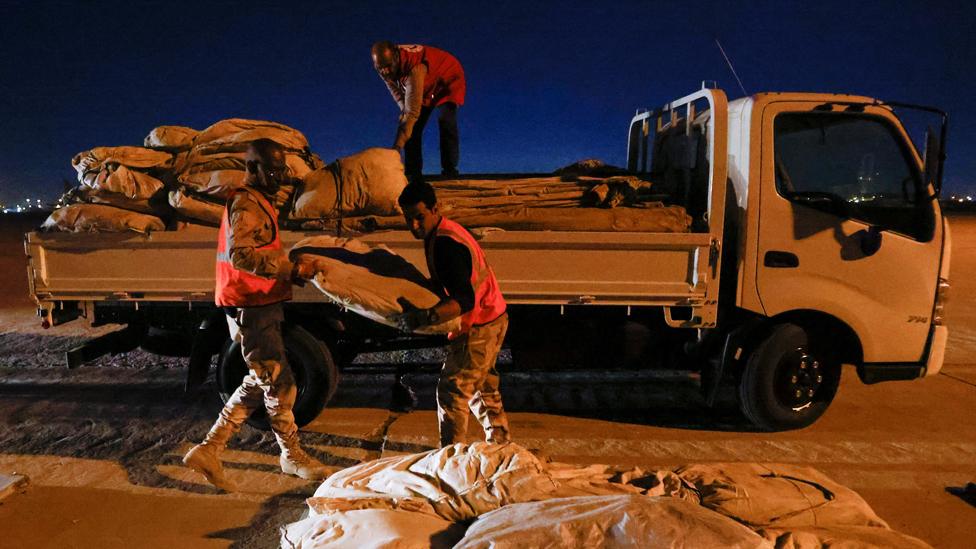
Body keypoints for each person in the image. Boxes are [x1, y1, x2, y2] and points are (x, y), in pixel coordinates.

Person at [183, 138, 327, 491]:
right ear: (253, 167)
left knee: (262, 376)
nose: (279, 176)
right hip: (252, 306)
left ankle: (210, 448)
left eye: (282, 169)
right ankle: (290, 455)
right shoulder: (246, 204)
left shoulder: (259, 201)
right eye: (274, 169)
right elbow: (241, 256)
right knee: (280, 383)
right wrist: (290, 270)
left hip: (258, 305)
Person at [395, 181, 510, 447]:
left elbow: (464, 300)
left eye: (419, 217)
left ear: (435, 209)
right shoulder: (443, 231)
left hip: (479, 325)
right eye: (408, 219)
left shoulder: (446, 243)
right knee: (484, 388)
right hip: (494, 317)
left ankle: (451, 462)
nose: (413, 225)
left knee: (452, 393)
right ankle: (502, 449)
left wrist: (425, 317)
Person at [371, 41, 465, 179]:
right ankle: (412, 172)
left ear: (396, 58)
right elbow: (397, 94)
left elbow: (413, 112)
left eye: (388, 67)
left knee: (445, 120)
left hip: (447, 77)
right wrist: (404, 113)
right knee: (411, 126)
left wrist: (396, 148)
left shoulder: (415, 69)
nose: (386, 71)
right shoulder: (384, 68)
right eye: (381, 68)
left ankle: (450, 169)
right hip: (426, 83)